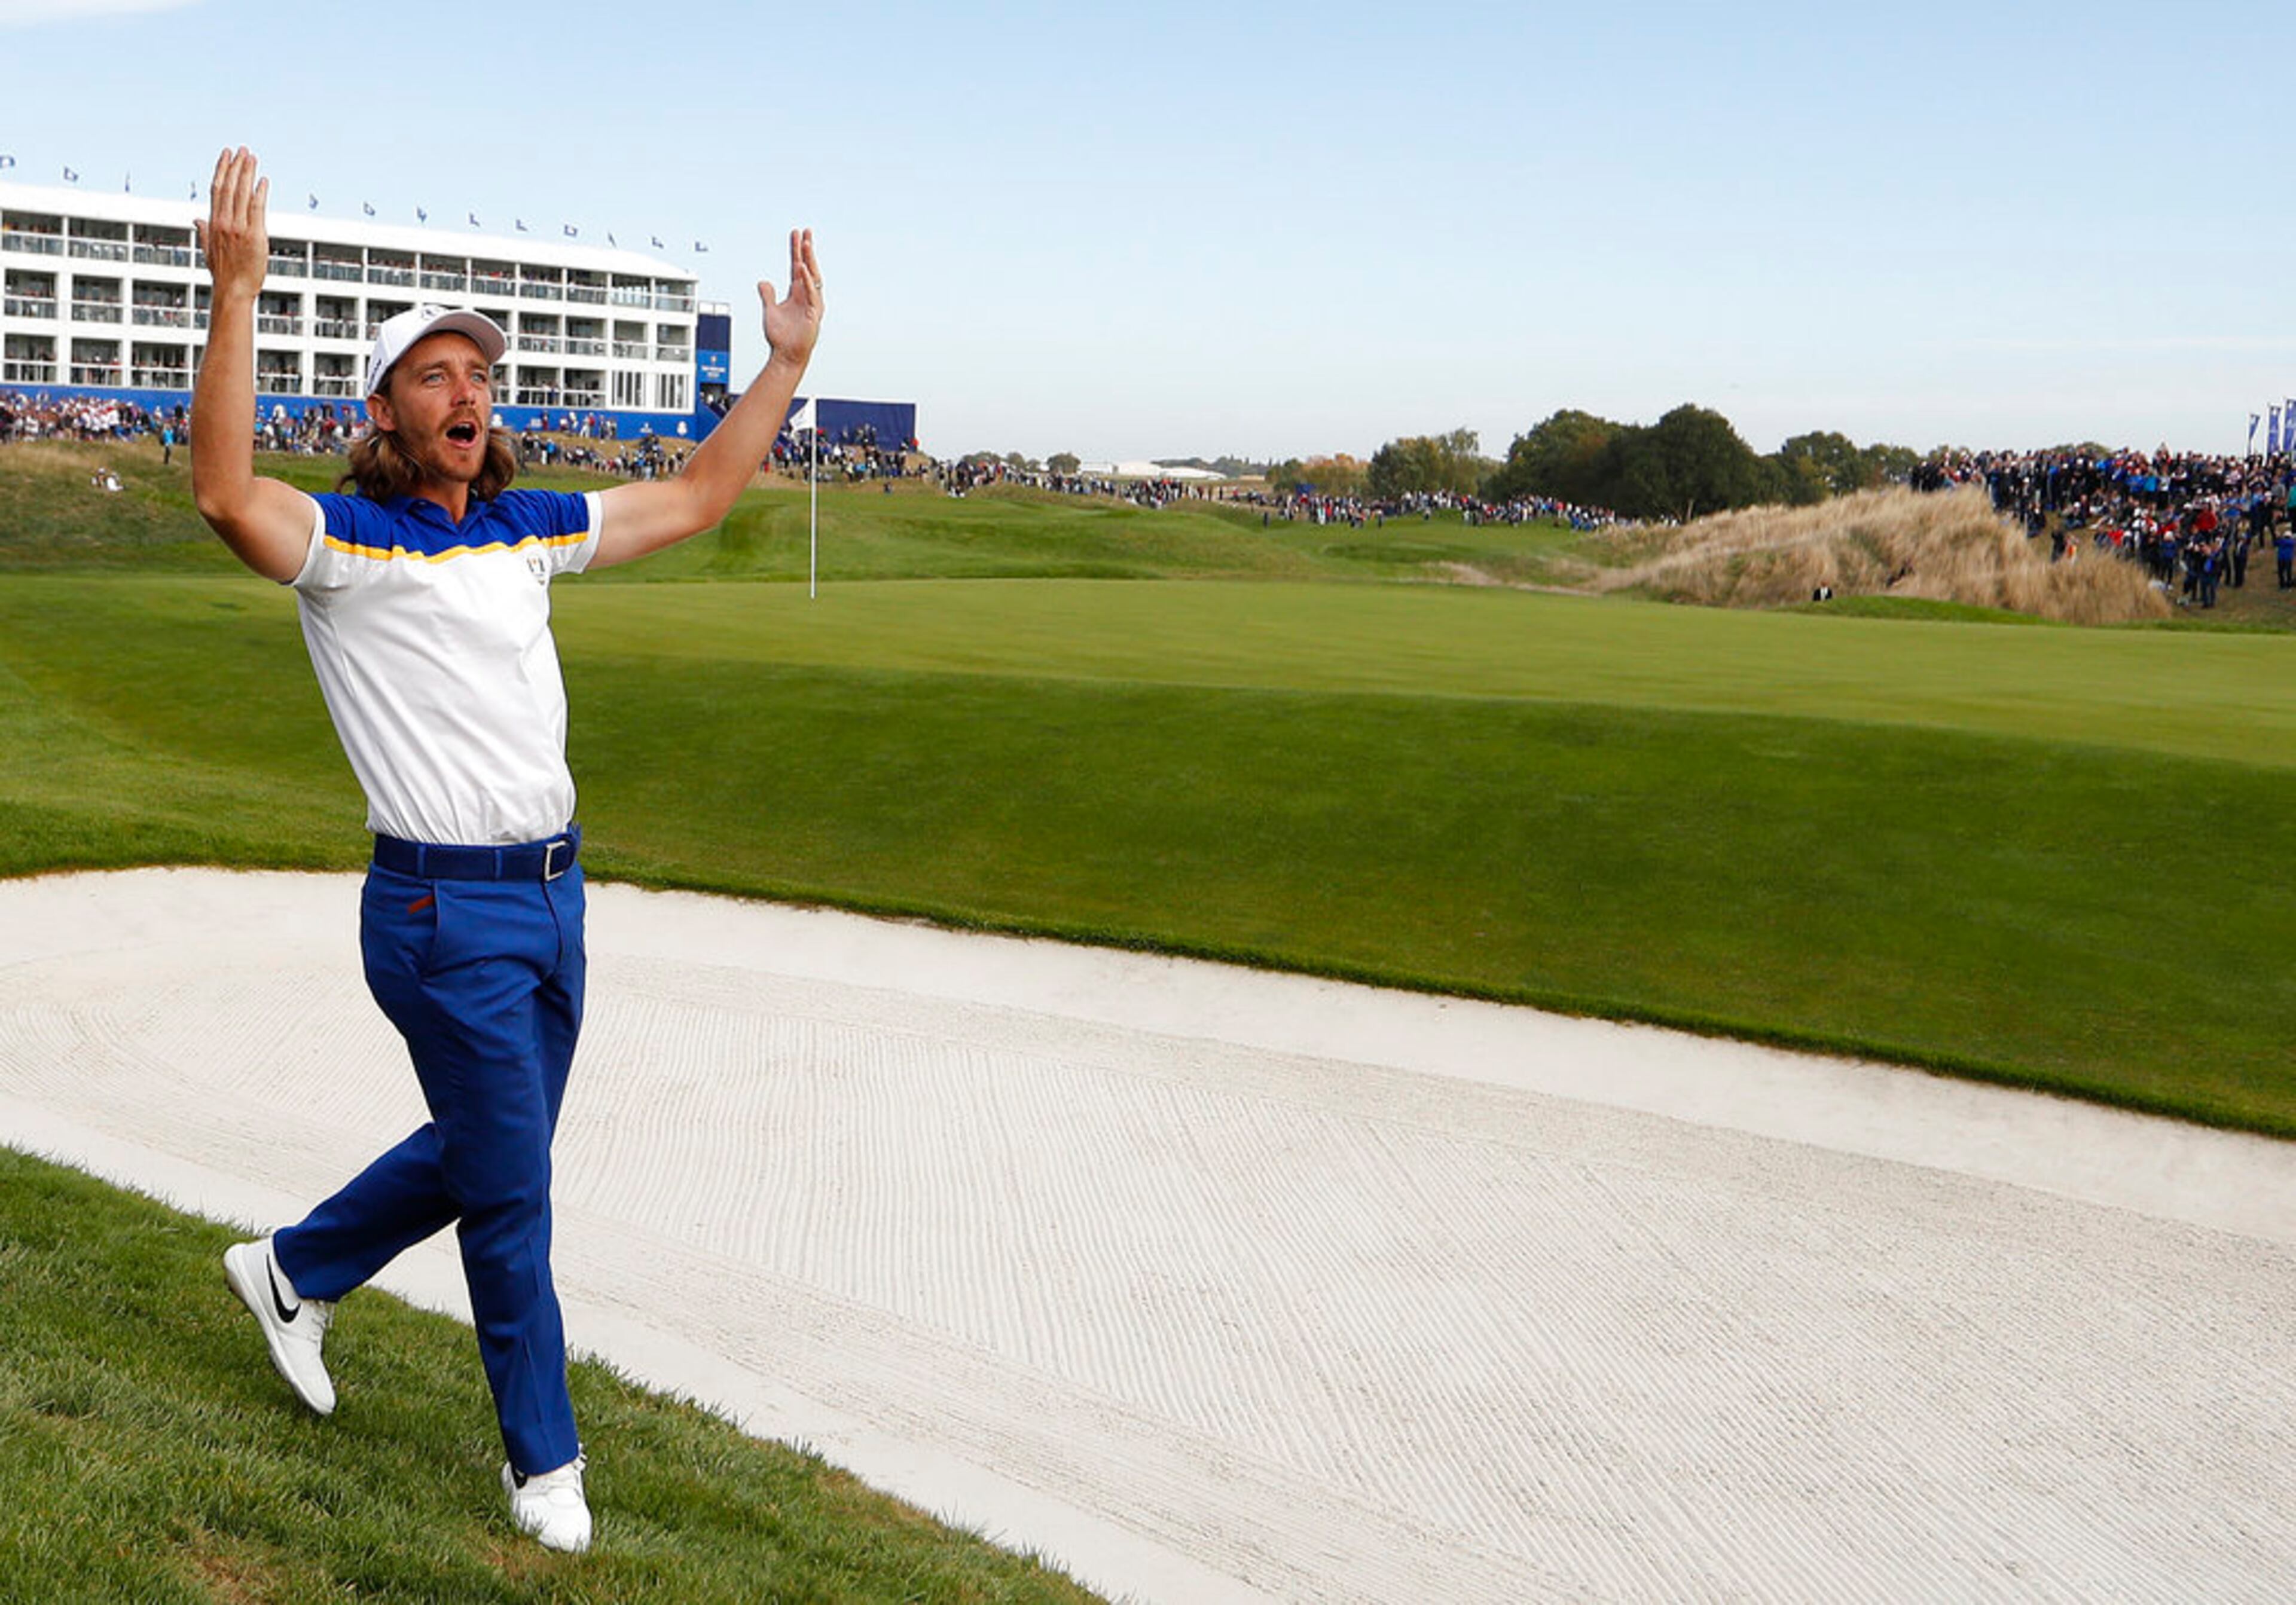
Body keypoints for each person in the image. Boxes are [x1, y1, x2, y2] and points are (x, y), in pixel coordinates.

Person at [191, 146, 820, 1554]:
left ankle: (294, 1270)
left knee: (496, 1149)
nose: (466, 391)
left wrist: (781, 365)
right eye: (433, 375)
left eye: (477, 373)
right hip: (434, 909)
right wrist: (237, 294)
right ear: (381, 413)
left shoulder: (533, 527)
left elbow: (701, 498)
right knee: (518, 1191)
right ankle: (547, 1466)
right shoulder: (350, 544)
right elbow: (229, 493)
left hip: (552, 900)